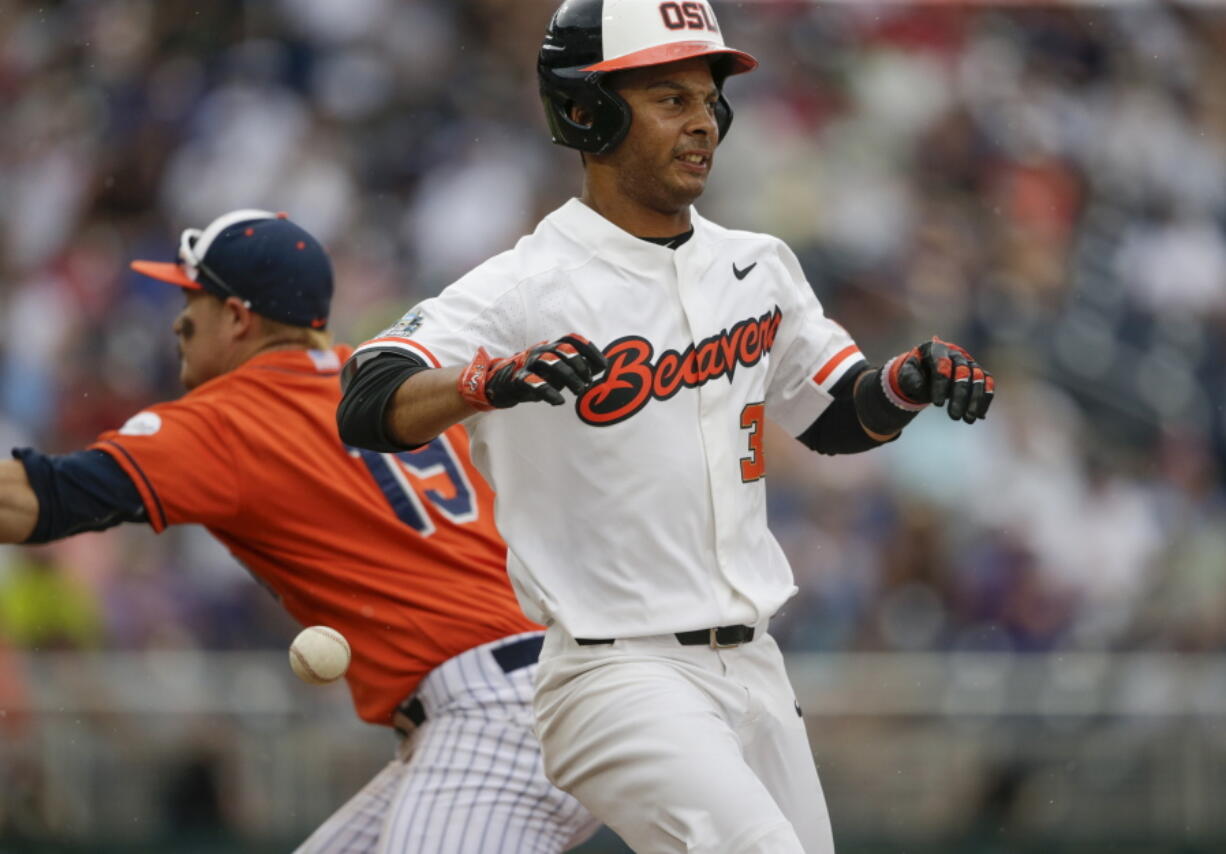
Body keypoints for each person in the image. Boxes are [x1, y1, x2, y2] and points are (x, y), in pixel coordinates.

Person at [337, 1, 995, 851]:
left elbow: (836, 416)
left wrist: (908, 383)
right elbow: (368, 396)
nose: (704, 123)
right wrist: (486, 382)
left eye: (707, 99)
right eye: (669, 99)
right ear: (588, 108)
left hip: (755, 665)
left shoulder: (756, 266)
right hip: (615, 671)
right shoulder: (523, 286)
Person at [0, 209, 597, 853]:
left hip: (492, 714)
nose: (178, 320)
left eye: (190, 297)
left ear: (237, 317)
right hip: (550, 688)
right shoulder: (385, 383)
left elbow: (35, 502)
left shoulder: (230, 419)